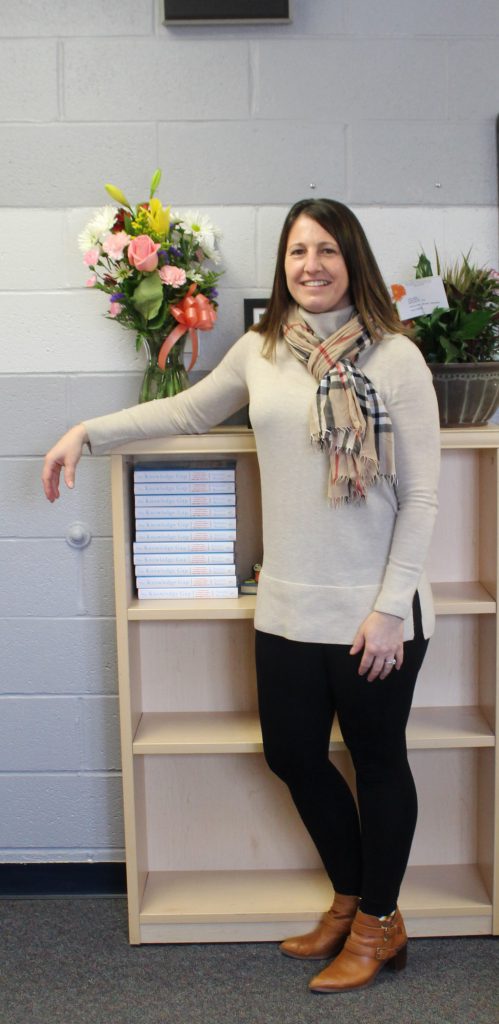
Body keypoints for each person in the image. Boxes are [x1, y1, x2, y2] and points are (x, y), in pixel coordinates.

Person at [42, 198, 440, 994]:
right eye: (297, 251)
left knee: (377, 762)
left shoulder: (396, 358)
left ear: (351, 259)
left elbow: (422, 496)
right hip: (289, 605)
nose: (311, 265)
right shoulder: (262, 351)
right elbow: (189, 409)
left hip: (375, 615)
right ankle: (360, 903)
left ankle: (374, 924)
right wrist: (89, 430)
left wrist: (390, 609)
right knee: (290, 754)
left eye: (327, 250)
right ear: (282, 265)